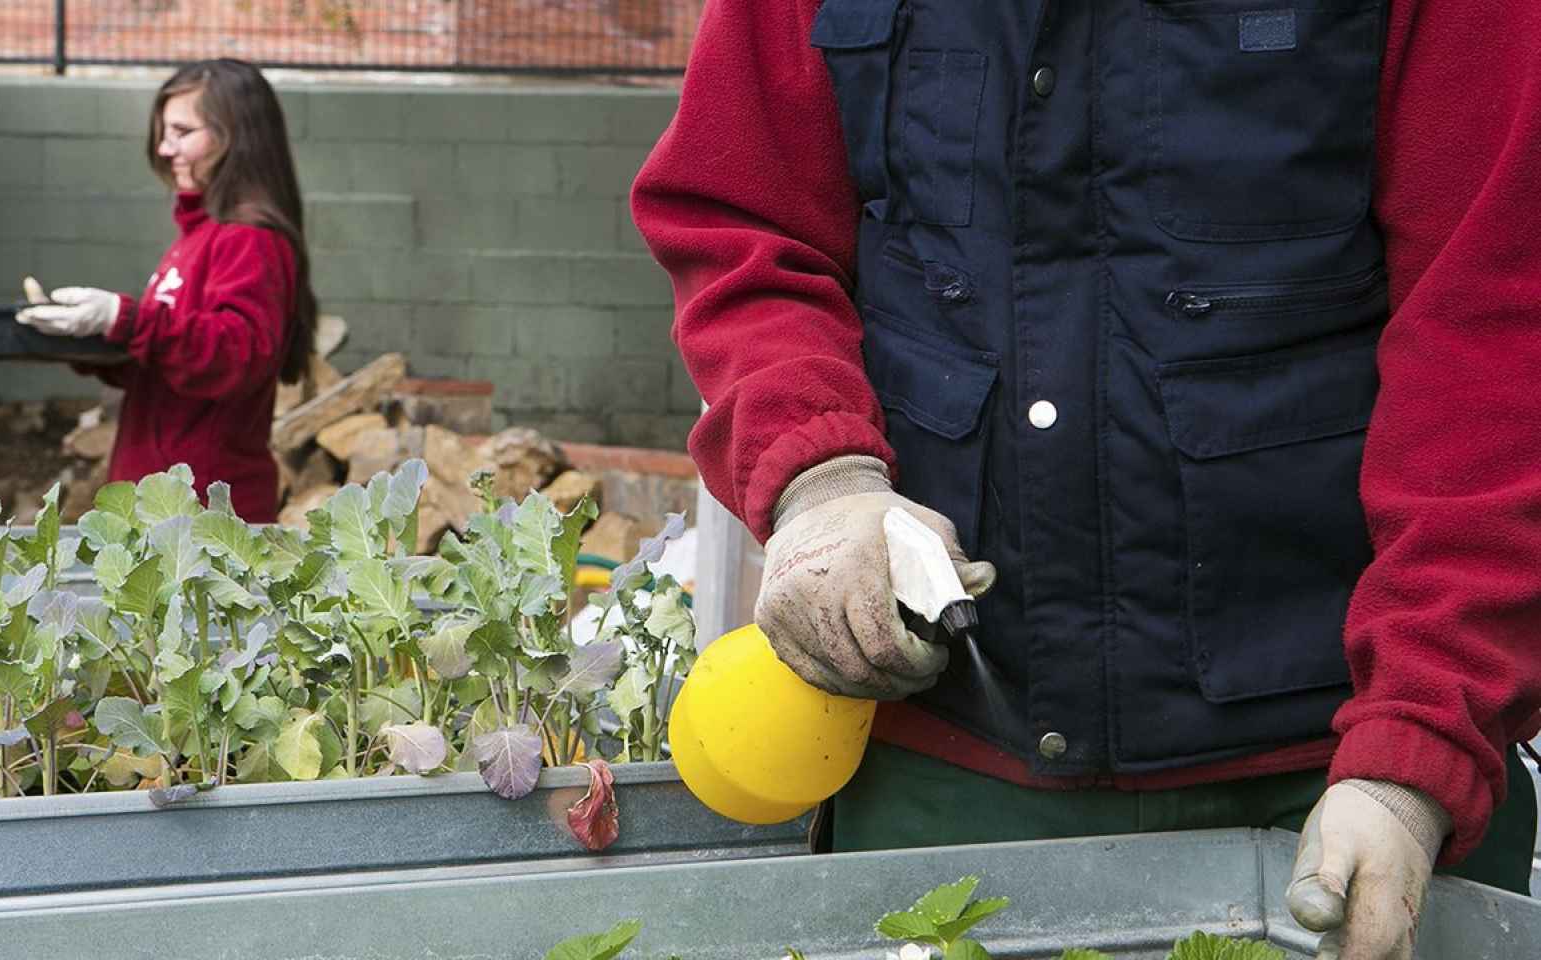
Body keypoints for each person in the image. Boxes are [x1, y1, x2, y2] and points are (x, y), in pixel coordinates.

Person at [632, 2, 1540, 957]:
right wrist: (822, 475)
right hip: (952, 781)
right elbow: (747, 224)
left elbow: (1495, 345)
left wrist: (1418, 751)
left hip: (1339, 785)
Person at [17, 58, 316, 522]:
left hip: (203, 517)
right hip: (161, 508)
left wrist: (127, 320)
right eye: (164, 131)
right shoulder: (198, 237)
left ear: (234, 136)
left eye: (181, 132)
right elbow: (169, 366)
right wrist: (91, 338)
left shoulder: (249, 239)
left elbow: (236, 356)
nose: (163, 147)